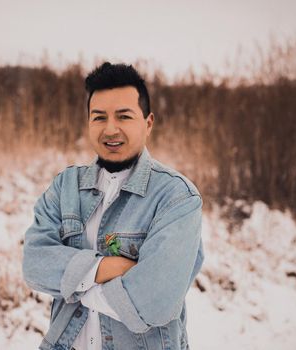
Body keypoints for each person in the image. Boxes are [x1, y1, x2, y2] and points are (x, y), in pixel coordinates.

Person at [22, 62, 204, 350]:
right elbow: (34, 264)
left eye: (124, 116)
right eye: (99, 117)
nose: (110, 129)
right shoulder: (65, 186)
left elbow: (154, 302)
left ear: (148, 123)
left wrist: (75, 283)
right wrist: (106, 268)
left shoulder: (176, 198)